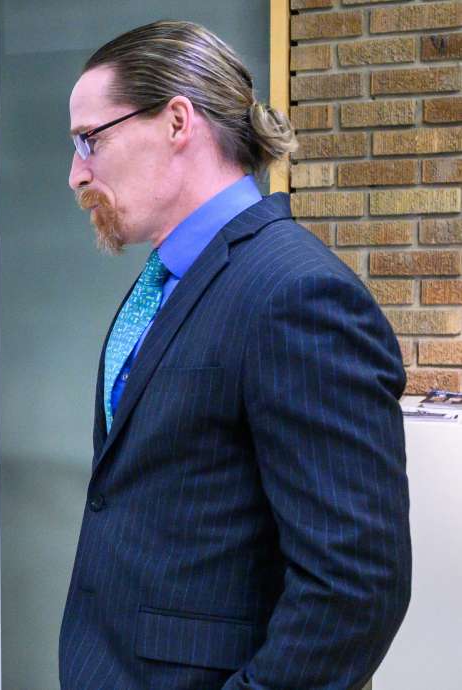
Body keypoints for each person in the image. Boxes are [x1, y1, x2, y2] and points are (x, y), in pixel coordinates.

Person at [59, 20, 410, 690]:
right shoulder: (169, 281)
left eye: (90, 140)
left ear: (176, 122)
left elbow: (354, 590)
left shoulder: (297, 293)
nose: (76, 171)